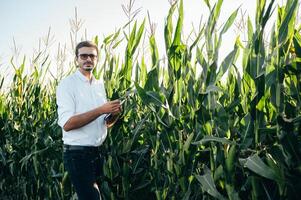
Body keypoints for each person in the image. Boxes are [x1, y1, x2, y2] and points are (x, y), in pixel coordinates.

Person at [56, 41, 121, 200]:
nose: (88, 59)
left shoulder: (99, 85)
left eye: (92, 56)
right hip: (78, 155)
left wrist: (114, 114)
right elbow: (67, 124)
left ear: (97, 59)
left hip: (97, 154)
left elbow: (104, 123)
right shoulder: (67, 84)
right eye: (83, 56)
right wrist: (101, 110)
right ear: (76, 59)